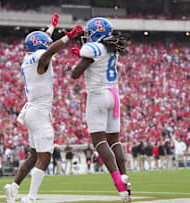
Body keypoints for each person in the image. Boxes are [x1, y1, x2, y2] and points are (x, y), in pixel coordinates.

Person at [3, 13, 83, 203]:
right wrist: (68, 36)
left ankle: (13, 187)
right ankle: (31, 197)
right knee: (44, 157)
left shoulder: (27, 57)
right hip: (39, 111)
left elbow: (43, 42)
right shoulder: (41, 56)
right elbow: (48, 51)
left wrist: (52, 28)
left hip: (31, 109)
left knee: (33, 156)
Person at [70, 17, 131, 202]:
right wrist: (83, 59)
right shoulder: (112, 47)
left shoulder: (92, 48)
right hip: (114, 93)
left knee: (98, 140)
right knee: (115, 140)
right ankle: (125, 176)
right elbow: (97, 63)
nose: (87, 38)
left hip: (97, 95)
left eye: (89, 34)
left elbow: (75, 74)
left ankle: (118, 184)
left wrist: (79, 62)